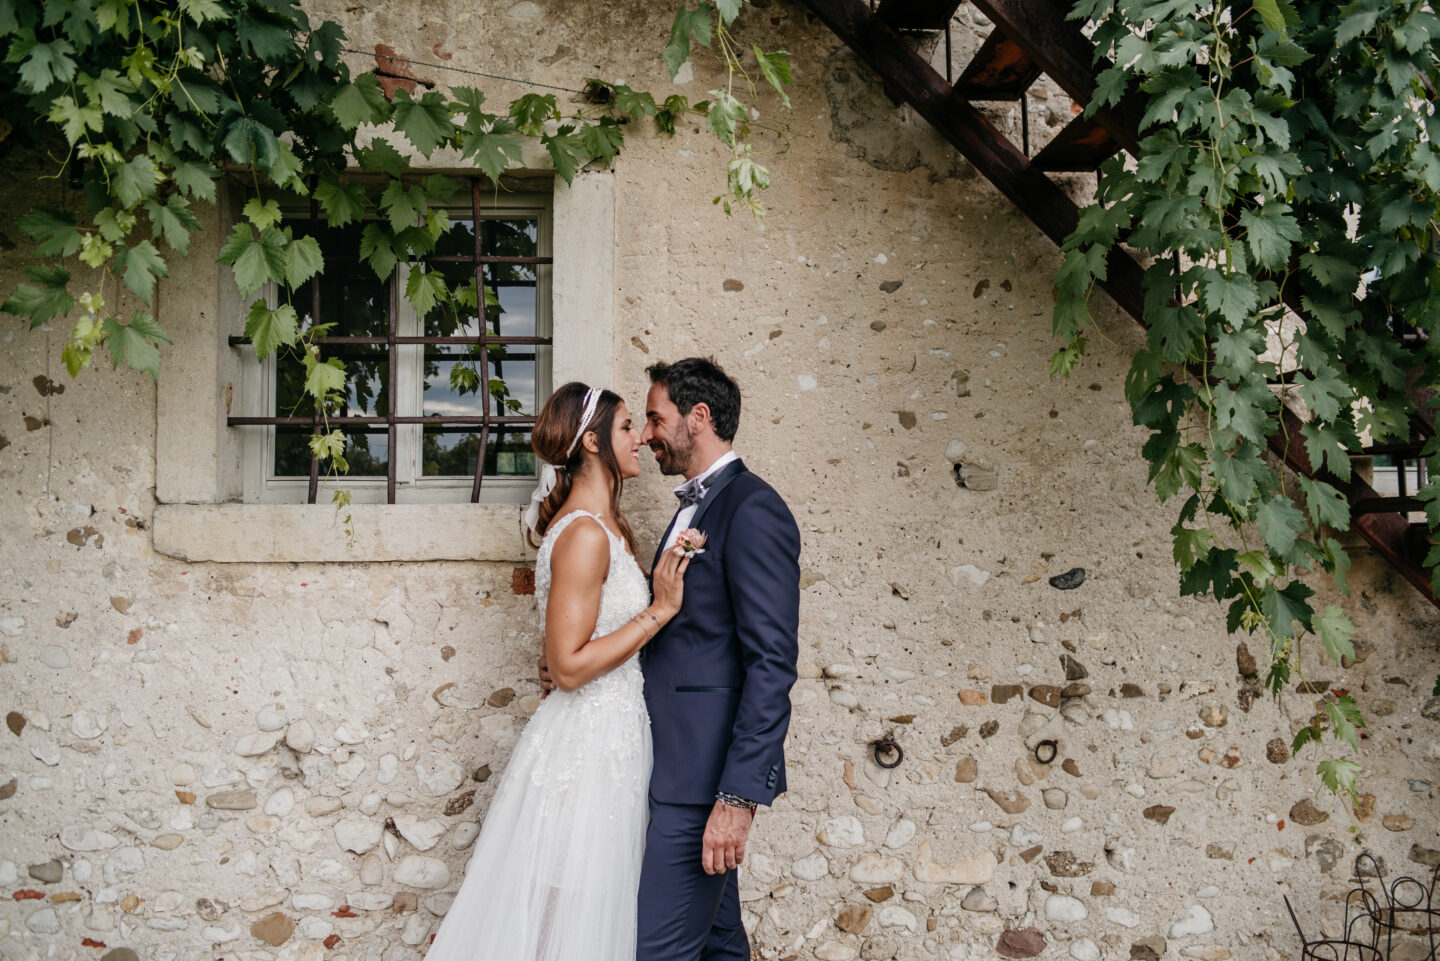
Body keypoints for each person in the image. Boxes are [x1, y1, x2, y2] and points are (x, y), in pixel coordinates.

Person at [544, 357, 801, 960]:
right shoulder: (691, 508)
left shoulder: (752, 509)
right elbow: (685, 634)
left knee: (655, 950)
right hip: (657, 766)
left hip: (702, 782)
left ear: (699, 418)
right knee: (718, 943)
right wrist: (580, 654)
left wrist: (737, 799)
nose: (649, 434)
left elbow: (771, 664)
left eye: (655, 419)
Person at [424, 382, 690, 961]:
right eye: (626, 428)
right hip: (585, 749)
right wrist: (660, 610)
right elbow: (568, 668)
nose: (641, 437)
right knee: (563, 916)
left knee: (589, 915)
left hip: (614, 738)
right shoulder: (585, 536)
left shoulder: (605, 527)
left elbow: (567, 647)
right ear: (592, 442)